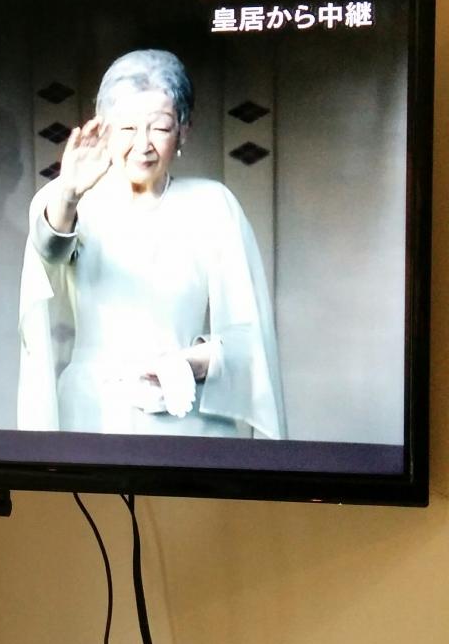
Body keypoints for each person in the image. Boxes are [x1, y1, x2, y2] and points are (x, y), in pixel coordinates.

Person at [17, 49, 285, 438]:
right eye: (127, 128)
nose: (142, 145)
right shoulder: (67, 201)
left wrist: (189, 364)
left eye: (159, 127)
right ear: (103, 129)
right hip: (94, 417)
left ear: (183, 131)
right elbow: (50, 252)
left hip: (188, 418)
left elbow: (248, 342)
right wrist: (70, 194)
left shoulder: (213, 205)